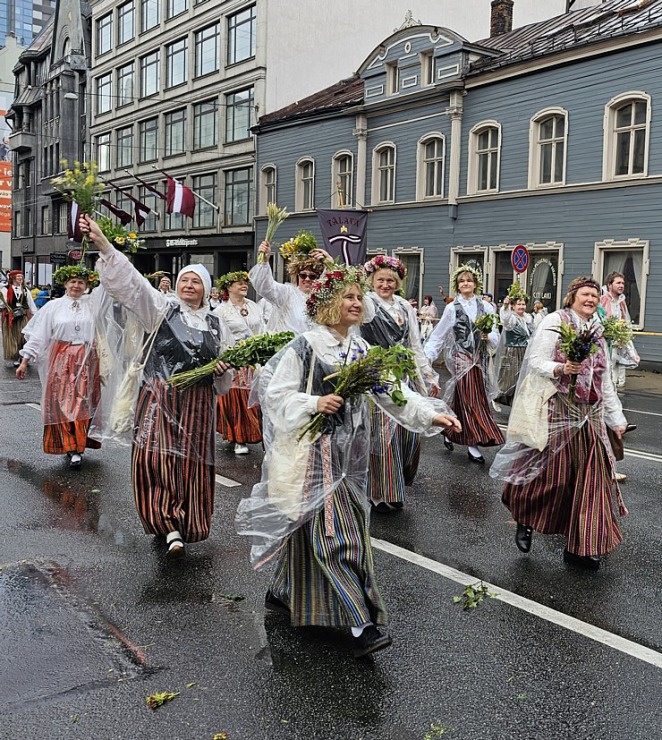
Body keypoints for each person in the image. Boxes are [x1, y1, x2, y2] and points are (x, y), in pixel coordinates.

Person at [236, 264, 460, 658]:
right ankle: (360, 624)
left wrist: (430, 415)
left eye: (360, 297)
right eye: (349, 297)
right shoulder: (306, 346)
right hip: (313, 456)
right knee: (334, 535)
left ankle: (284, 590)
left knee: (325, 529)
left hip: (350, 458)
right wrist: (314, 402)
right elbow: (274, 395)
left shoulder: (362, 351)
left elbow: (394, 392)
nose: (357, 302)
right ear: (328, 304)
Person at [80, 215, 233, 559]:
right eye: (185, 280)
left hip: (198, 403)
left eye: (196, 282)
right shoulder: (161, 310)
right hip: (160, 396)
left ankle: (187, 520)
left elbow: (225, 379)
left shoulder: (217, 322)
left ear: (207, 289)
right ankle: (167, 525)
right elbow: (132, 285)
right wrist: (105, 245)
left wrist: (223, 369)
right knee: (154, 458)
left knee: (191, 463)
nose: (189, 286)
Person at [490, 277, 627, 570]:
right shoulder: (555, 320)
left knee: (592, 481)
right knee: (550, 477)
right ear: (572, 297)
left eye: (594, 295)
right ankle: (525, 516)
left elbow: (604, 382)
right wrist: (560, 367)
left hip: (590, 415)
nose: (590, 299)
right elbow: (536, 360)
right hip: (558, 409)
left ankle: (581, 546)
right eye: (585, 294)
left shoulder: (598, 330)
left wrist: (617, 418)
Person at [360, 255, 440, 511]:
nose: (385, 285)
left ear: (398, 283)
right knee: (382, 438)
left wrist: (427, 376)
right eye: (380, 280)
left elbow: (414, 344)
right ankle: (380, 493)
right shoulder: (368, 303)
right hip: (378, 378)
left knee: (409, 435)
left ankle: (396, 483)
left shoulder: (404, 306)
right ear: (372, 281)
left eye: (390, 280)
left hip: (404, 376)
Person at [16, 266, 103, 468]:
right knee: (64, 403)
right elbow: (39, 335)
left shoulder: (93, 305)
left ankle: (80, 445)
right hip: (62, 361)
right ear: (65, 284)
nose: (76, 286)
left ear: (87, 285)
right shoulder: (53, 307)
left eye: (81, 282)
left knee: (83, 403)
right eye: (72, 282)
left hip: (88, 360)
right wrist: (25, 361)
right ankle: (70, 445)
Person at [424, 264, 504, 463]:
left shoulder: (485, 307)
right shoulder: (452, 308)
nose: (466, 283)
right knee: (470, 398)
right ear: (457, 286)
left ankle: (449, 429)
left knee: (469, 397)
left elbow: (495, 333)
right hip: (462, 359)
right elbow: (439, 335)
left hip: (479, 359)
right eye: (462, 281)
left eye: (469, 280)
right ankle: (472, 443)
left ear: (475, 284)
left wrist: (489, 336)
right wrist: (426, 358)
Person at [213, 270, 264, 455]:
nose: (244, 285)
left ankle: (252, 433)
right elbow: (217, 336)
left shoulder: (254, 306)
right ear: (229, 287)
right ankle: (237, 438)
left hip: (254, 360)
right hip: (233, 360)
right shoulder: (221, 310)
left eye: (246, 282)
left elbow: (262, 329)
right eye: (239, 283)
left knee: (253, 398)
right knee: (235, 399)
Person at [248, 240, 326, 334]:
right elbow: (265, 287)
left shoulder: (323, 298)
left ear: (319, 278)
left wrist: (330, 264)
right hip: (289, 347)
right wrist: (265, 261)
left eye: (312, 276)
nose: (307, 279)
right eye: (303, 275)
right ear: (297, 276)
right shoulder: (287, 293)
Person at [599, 271, 639, 391]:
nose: (621, 285)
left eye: (623, 283)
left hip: (618, 336)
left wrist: (625, 335)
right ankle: (609, 386)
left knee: (619, 361)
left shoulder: (621, 301)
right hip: (607, 337)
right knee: (609, 361)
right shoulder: (603, 300)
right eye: (618, 283)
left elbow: (625, 318)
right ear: (610, 285)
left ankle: (618, 385)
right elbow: (601, 318)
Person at [495, 292, 533, 406]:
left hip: (526, 351)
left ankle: (518, 401)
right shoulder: (512, 319)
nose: (521, 306)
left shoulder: (528, 318)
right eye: (519, 304)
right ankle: (505, 397)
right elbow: (505, 319)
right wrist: (505, 306)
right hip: (513, 351)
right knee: (511, 378)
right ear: (513, 306)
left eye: (523, 304)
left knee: (524, 377)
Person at [1, 270, 38, 365]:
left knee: (24, 336)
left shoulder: (25, 290)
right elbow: (2, 304)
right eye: (18, 276)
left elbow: (30, 303)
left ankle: (23, 356)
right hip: (11, 317)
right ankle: (16, 356)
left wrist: (36, 315)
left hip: (23, 316)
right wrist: (5, 305)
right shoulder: (5, 289)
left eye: (21, 276)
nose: (20, 278)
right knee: (12, 337)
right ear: (12, 278)